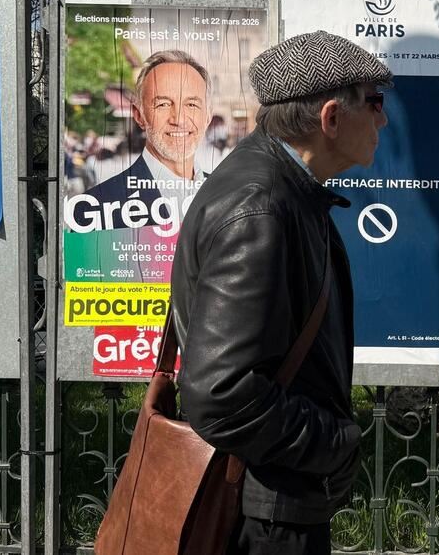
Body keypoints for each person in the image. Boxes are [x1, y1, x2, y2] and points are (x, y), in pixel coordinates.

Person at [170, 31, 391, 555]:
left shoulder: (283, 191)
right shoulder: (262, 207)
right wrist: (334, 446)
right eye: (375, 103)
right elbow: (220, 394)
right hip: (262, 515)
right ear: (331, 118)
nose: (383, 119)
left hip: (270, 498)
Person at [74, 50, 211, 227]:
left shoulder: (235, 197)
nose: (178, 119)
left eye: (191, 104)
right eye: (163, 104)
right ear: (139, 116)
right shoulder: (94, 209)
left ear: (207, 117)